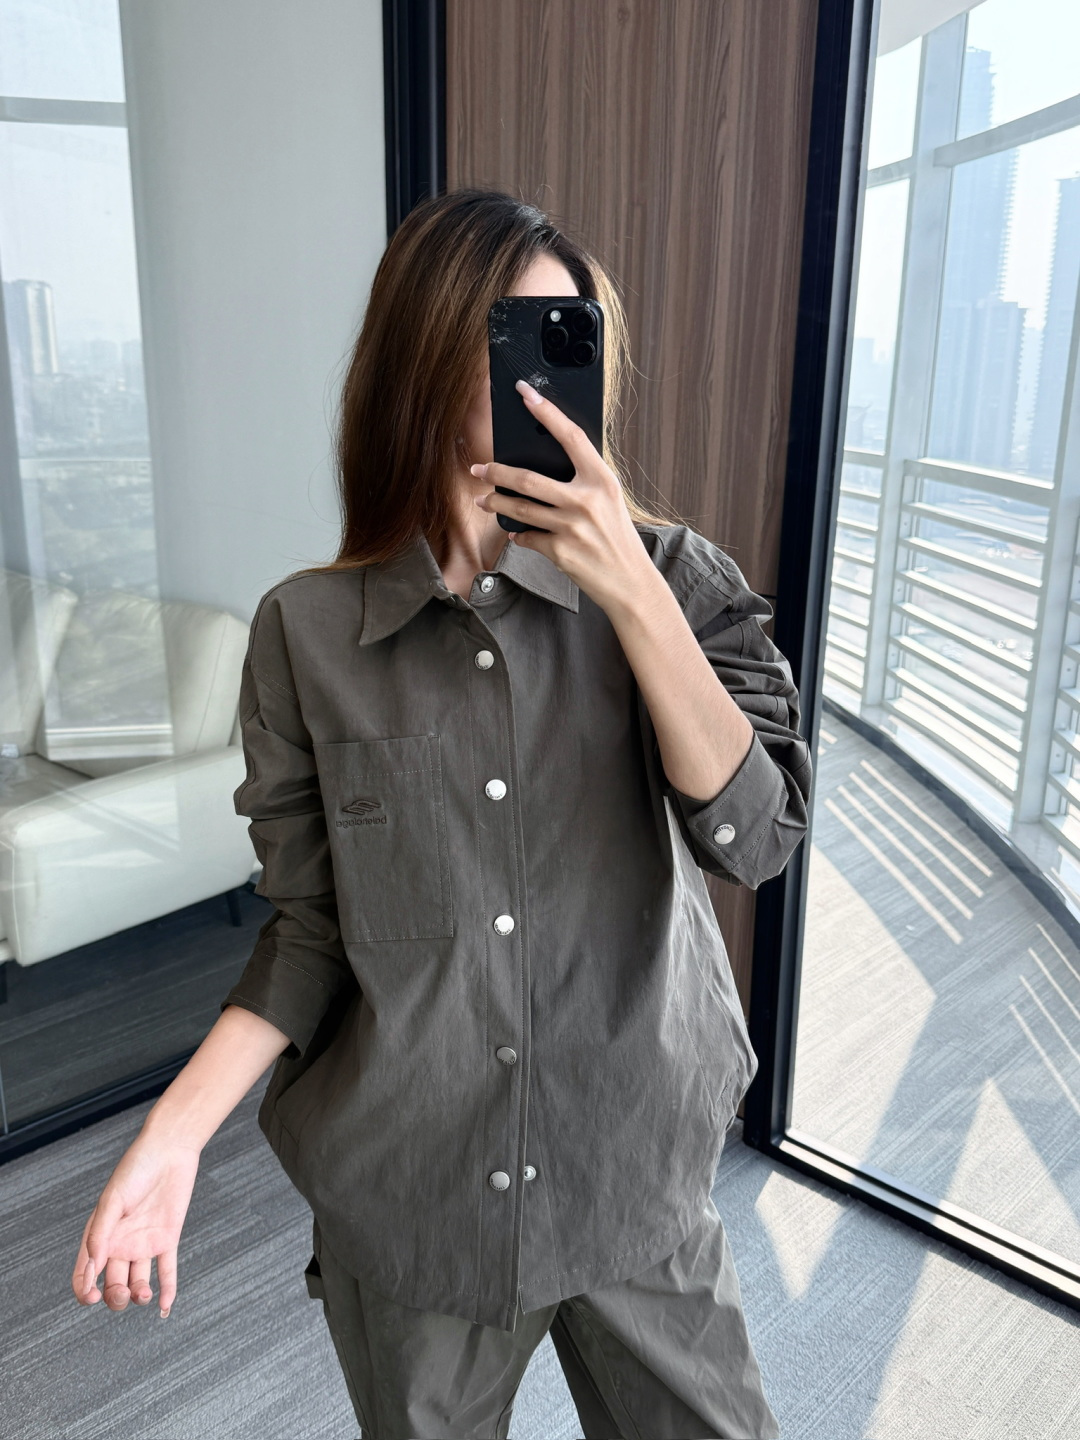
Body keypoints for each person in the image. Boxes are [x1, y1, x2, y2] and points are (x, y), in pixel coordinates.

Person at [71, 188, 811, 1439]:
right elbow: (311, 934)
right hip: (414, 1206)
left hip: (634, 1175)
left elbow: (759, 834)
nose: (549, 376)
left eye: (571, 339)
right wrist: (175, 1136)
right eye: (512, 337)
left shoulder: (677, 582)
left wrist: (631, 592)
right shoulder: (307, 632)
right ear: (420, 358)